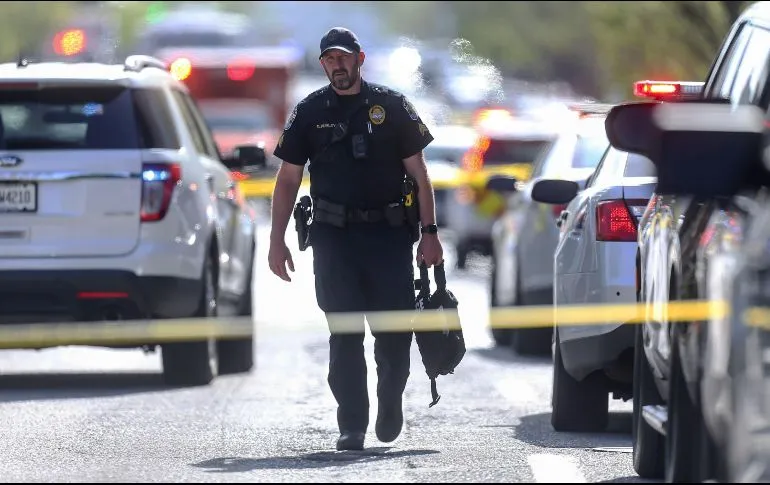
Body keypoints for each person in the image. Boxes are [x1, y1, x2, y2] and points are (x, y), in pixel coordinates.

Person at [267, 27, 444, 451]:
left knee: (393, 334)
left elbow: (419, 174)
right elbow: (288, 179)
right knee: (344, 334)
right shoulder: (310, 111)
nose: (338, 65)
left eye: (344, 57)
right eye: (330, 59)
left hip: (388, 237)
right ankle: (352, 424)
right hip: (334, 239)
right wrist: (276, 240)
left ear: (359, 59)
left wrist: (430, 234)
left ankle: (390, 400)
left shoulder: (392, 105)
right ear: (323, 64)